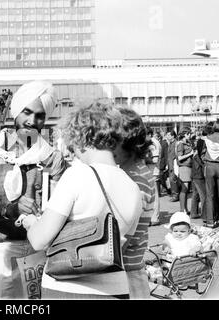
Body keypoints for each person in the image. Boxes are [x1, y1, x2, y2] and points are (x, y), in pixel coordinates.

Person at [24, 100, 142, 299]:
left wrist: (31, 223)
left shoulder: (77, 175)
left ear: (82, 137)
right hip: (116, 289)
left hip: (68, 288)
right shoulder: (134, 188)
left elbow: (39, 240)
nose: (72, 150)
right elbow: (120, 244)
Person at [0, 80, 67, 299]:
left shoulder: (53, 158)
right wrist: (8, 210)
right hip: (2, 250)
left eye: (40, 116)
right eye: (26, 112)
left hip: (42, 251)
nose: (32, 121)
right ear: (15, 111)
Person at [113, 107, 155, 299]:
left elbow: (124, 235)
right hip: (131, 268)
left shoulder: (134, 179)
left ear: (126, 142)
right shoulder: (135, 172)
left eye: (112, 141)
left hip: (127, 272)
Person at [202, 120, 219, 228]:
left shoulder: (206, 138)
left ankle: (210, 220)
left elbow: (201, 153)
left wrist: (205, 161)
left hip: (209, 166)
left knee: (210, 195)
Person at [176, 127, 193, 214]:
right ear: (185, 134)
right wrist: (190, 154)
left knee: (186, 189)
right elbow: (179, 157)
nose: (190, 135)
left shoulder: (187, 143)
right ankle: (182, 210)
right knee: (184, 189)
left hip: (188, 167)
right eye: (189, 134)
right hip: (184, 167)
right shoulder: (181, 144)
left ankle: (185, 209)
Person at [166, 130, 180, 202]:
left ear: (173, 136)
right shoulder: (170, 143)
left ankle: (175, 196)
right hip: (170, 164)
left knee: (173, 180)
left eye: (168, 135)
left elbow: (175, 156)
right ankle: (174, 194)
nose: (167, 136)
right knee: (172, 180)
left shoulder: (175, 144)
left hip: (174, 165)